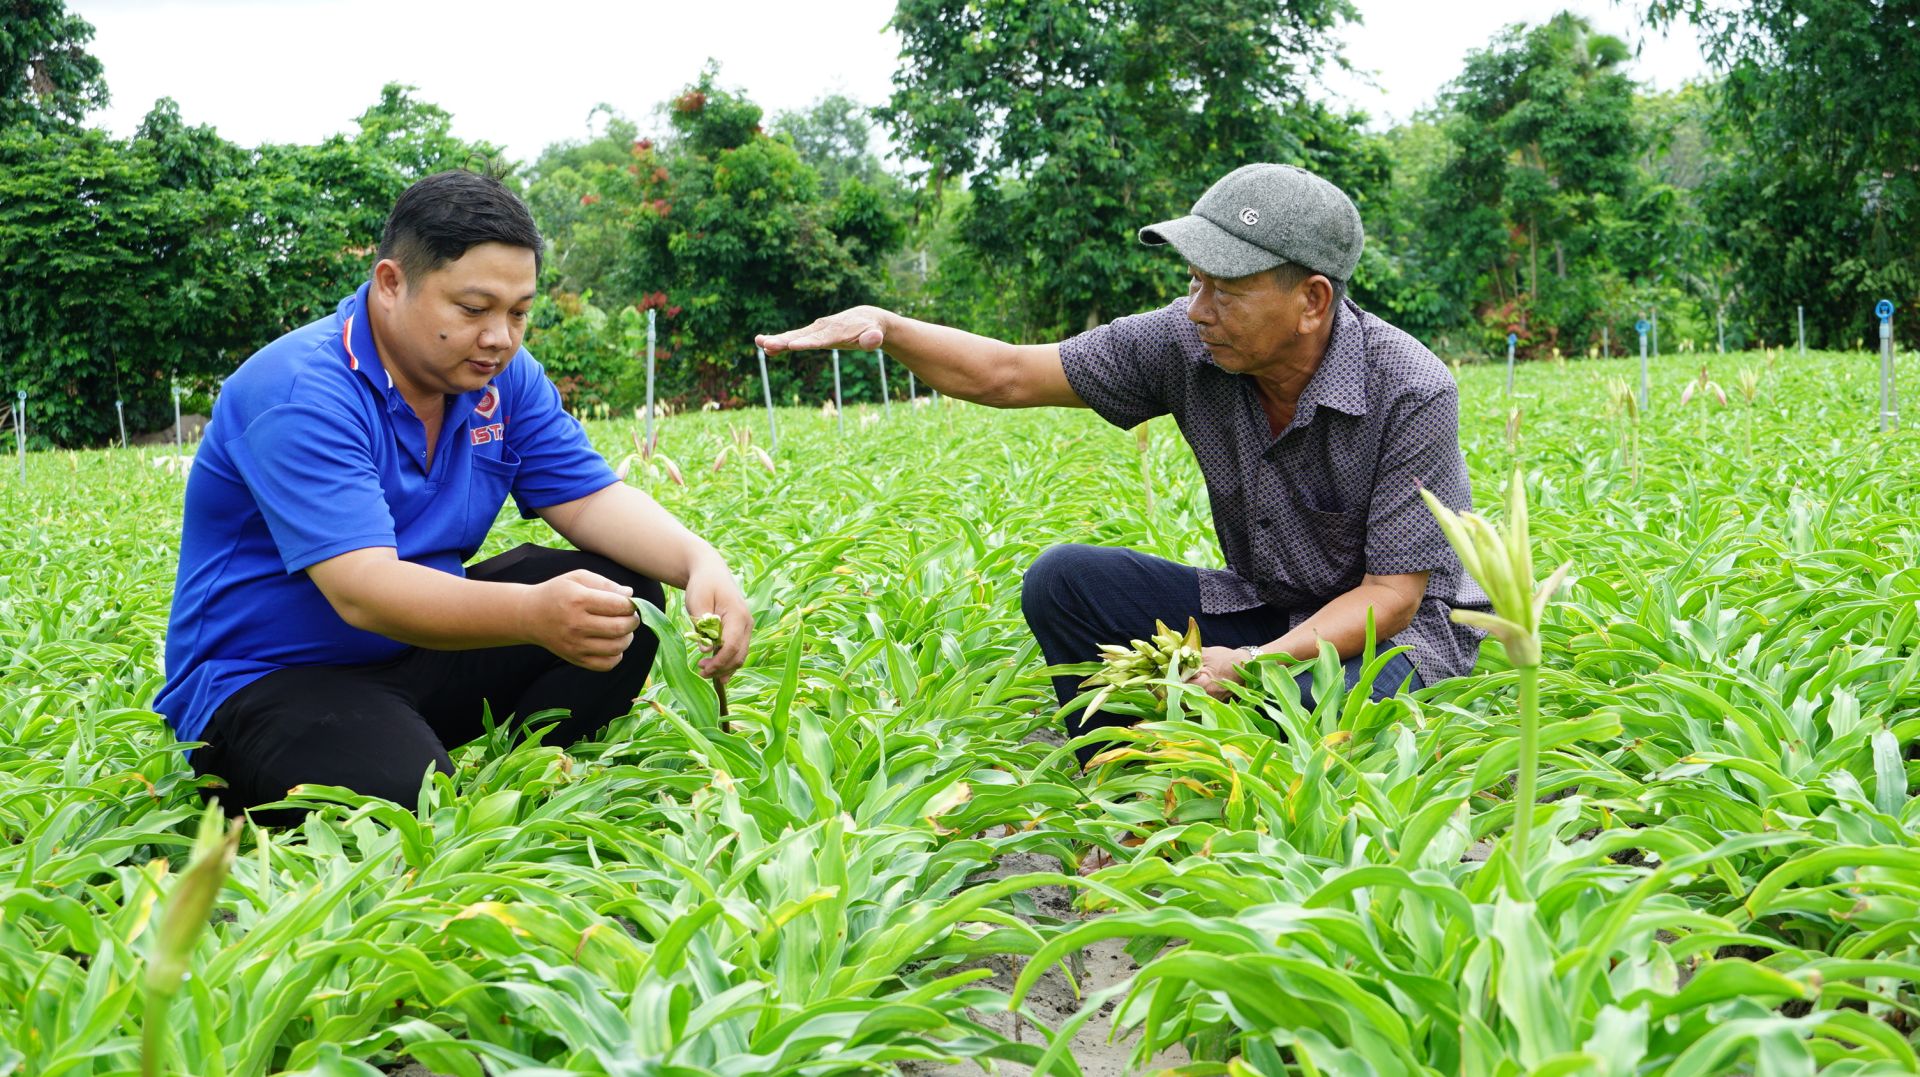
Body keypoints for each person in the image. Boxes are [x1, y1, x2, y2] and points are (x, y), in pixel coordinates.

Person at [758, 164, 1486, 759]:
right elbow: (1009, 374)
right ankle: (1121, 775)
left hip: (1396, 636)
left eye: (1225, 290)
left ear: (1312, 301)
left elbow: (1390, 596)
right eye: (1194, 280)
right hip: (1266, 604)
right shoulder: (1186, 341)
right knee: (1065, 582)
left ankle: (1200, 771)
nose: (1198, 308)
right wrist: (887, 327)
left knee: (1295, 714)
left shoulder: (1409, 387)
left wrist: (1256, 665)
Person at [157, 170, 751, 820]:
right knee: (409, 798)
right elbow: (362, 589)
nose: (500, 336)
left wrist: (700, 559)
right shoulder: (300, 390)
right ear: (391, 284)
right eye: (473, 309)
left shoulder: (500, 377)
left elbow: (586, 498)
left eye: (519, 312)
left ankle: (527, 768)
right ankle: (356, 756)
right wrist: (529, 614)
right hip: (268, 677)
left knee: (623, 595)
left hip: (422, 647)